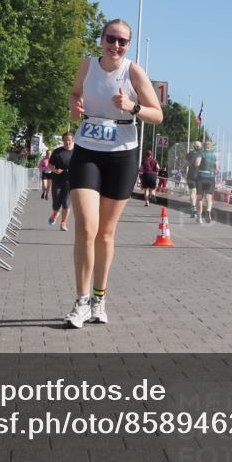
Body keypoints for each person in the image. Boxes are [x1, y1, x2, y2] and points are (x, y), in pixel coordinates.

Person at [64, 19, 162, 329]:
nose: (115, 45)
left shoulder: (134, 72)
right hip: (87, 150)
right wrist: (74, 108)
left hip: (122, 154)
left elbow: (157, 114)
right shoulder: (88, 66)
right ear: (102, 39)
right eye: (111, 38)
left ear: (128, 45)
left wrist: (132, 107)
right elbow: (74, 94)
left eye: (122, 41)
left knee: (106, 233)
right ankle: (80, 303)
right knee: (86, 228)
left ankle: (99, 298)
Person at [48, 133, 74, 231]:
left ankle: (63, 223)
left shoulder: (76, 152)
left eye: (69, 140)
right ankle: (55, 214)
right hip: (58, 181)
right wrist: (55, 170)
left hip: (70, 181)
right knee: (56, 203)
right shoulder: (57, 152)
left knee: (66, 204)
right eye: (65, 140)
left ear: (72, 140)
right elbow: (50, 165)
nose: (67, 142)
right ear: (63, 141)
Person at [194, 139, 217, 224]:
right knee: (209, 197)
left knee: (199, 198)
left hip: (201, 177)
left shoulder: (201, 153)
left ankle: (199, 217)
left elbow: (197, 164)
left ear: (204, 145)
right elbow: (217, 168)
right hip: (210, 178)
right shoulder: (214, 156)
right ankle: (208, 210)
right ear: (211, 146)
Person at [185, 141, 202, 218]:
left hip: (190, 174)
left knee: (192, 192)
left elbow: (186, 164)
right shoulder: (201, 154)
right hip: (199, 175)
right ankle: (199, 211)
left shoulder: (189, 154)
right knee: (198, 193)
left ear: (194, 146)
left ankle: (193, 208)